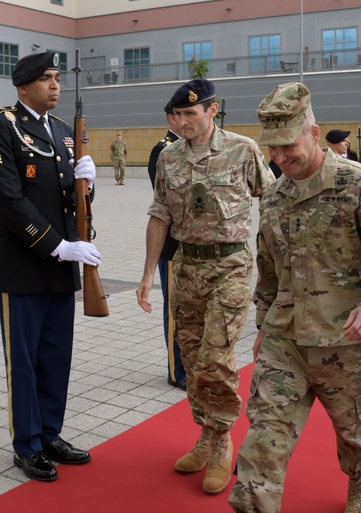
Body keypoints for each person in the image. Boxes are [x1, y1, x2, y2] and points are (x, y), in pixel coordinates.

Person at [229, 83, 361, 513]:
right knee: (263, 439)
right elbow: (268, 272)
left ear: (314, 134)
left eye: (288, 146)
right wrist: (263, 326)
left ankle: (358, 481)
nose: (279, 158)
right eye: (271, 149)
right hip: (286, 343)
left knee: (357, 434)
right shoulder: (275, 197)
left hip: (347, 344)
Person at [135, 78, 274, 495]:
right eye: (175, 115)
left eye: (189, 115)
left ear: (213, 111)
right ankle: (207, 435)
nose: (181, 123)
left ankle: (222, 443)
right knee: (193, 361)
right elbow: (160, 214)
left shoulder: (242, 149)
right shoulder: (168, 157)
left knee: (216, 356)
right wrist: (146, 276)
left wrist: (278, 266)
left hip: (230, 265)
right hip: (186, 269)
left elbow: (272, 198)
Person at [0, 50, 101, 483]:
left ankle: (50, 434)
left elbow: (72, 202)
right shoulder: (1, 125)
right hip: (25, 263)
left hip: (61, 265)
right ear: (23, 86)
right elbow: (9, 199)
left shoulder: (66, 132)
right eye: (46, 78)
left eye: (57, 78)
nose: (55, 85)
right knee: (25, 361)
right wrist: (56, 246)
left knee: (55, 357)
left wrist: (88, 183)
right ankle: (26, 444)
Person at [146, 103, 186, 390]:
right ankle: (177, 370)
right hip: (173, 244)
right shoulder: (164, 149)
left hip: (198, 247)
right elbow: (166, 204)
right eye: (182, 114)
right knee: (175, 309)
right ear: (173, 118)